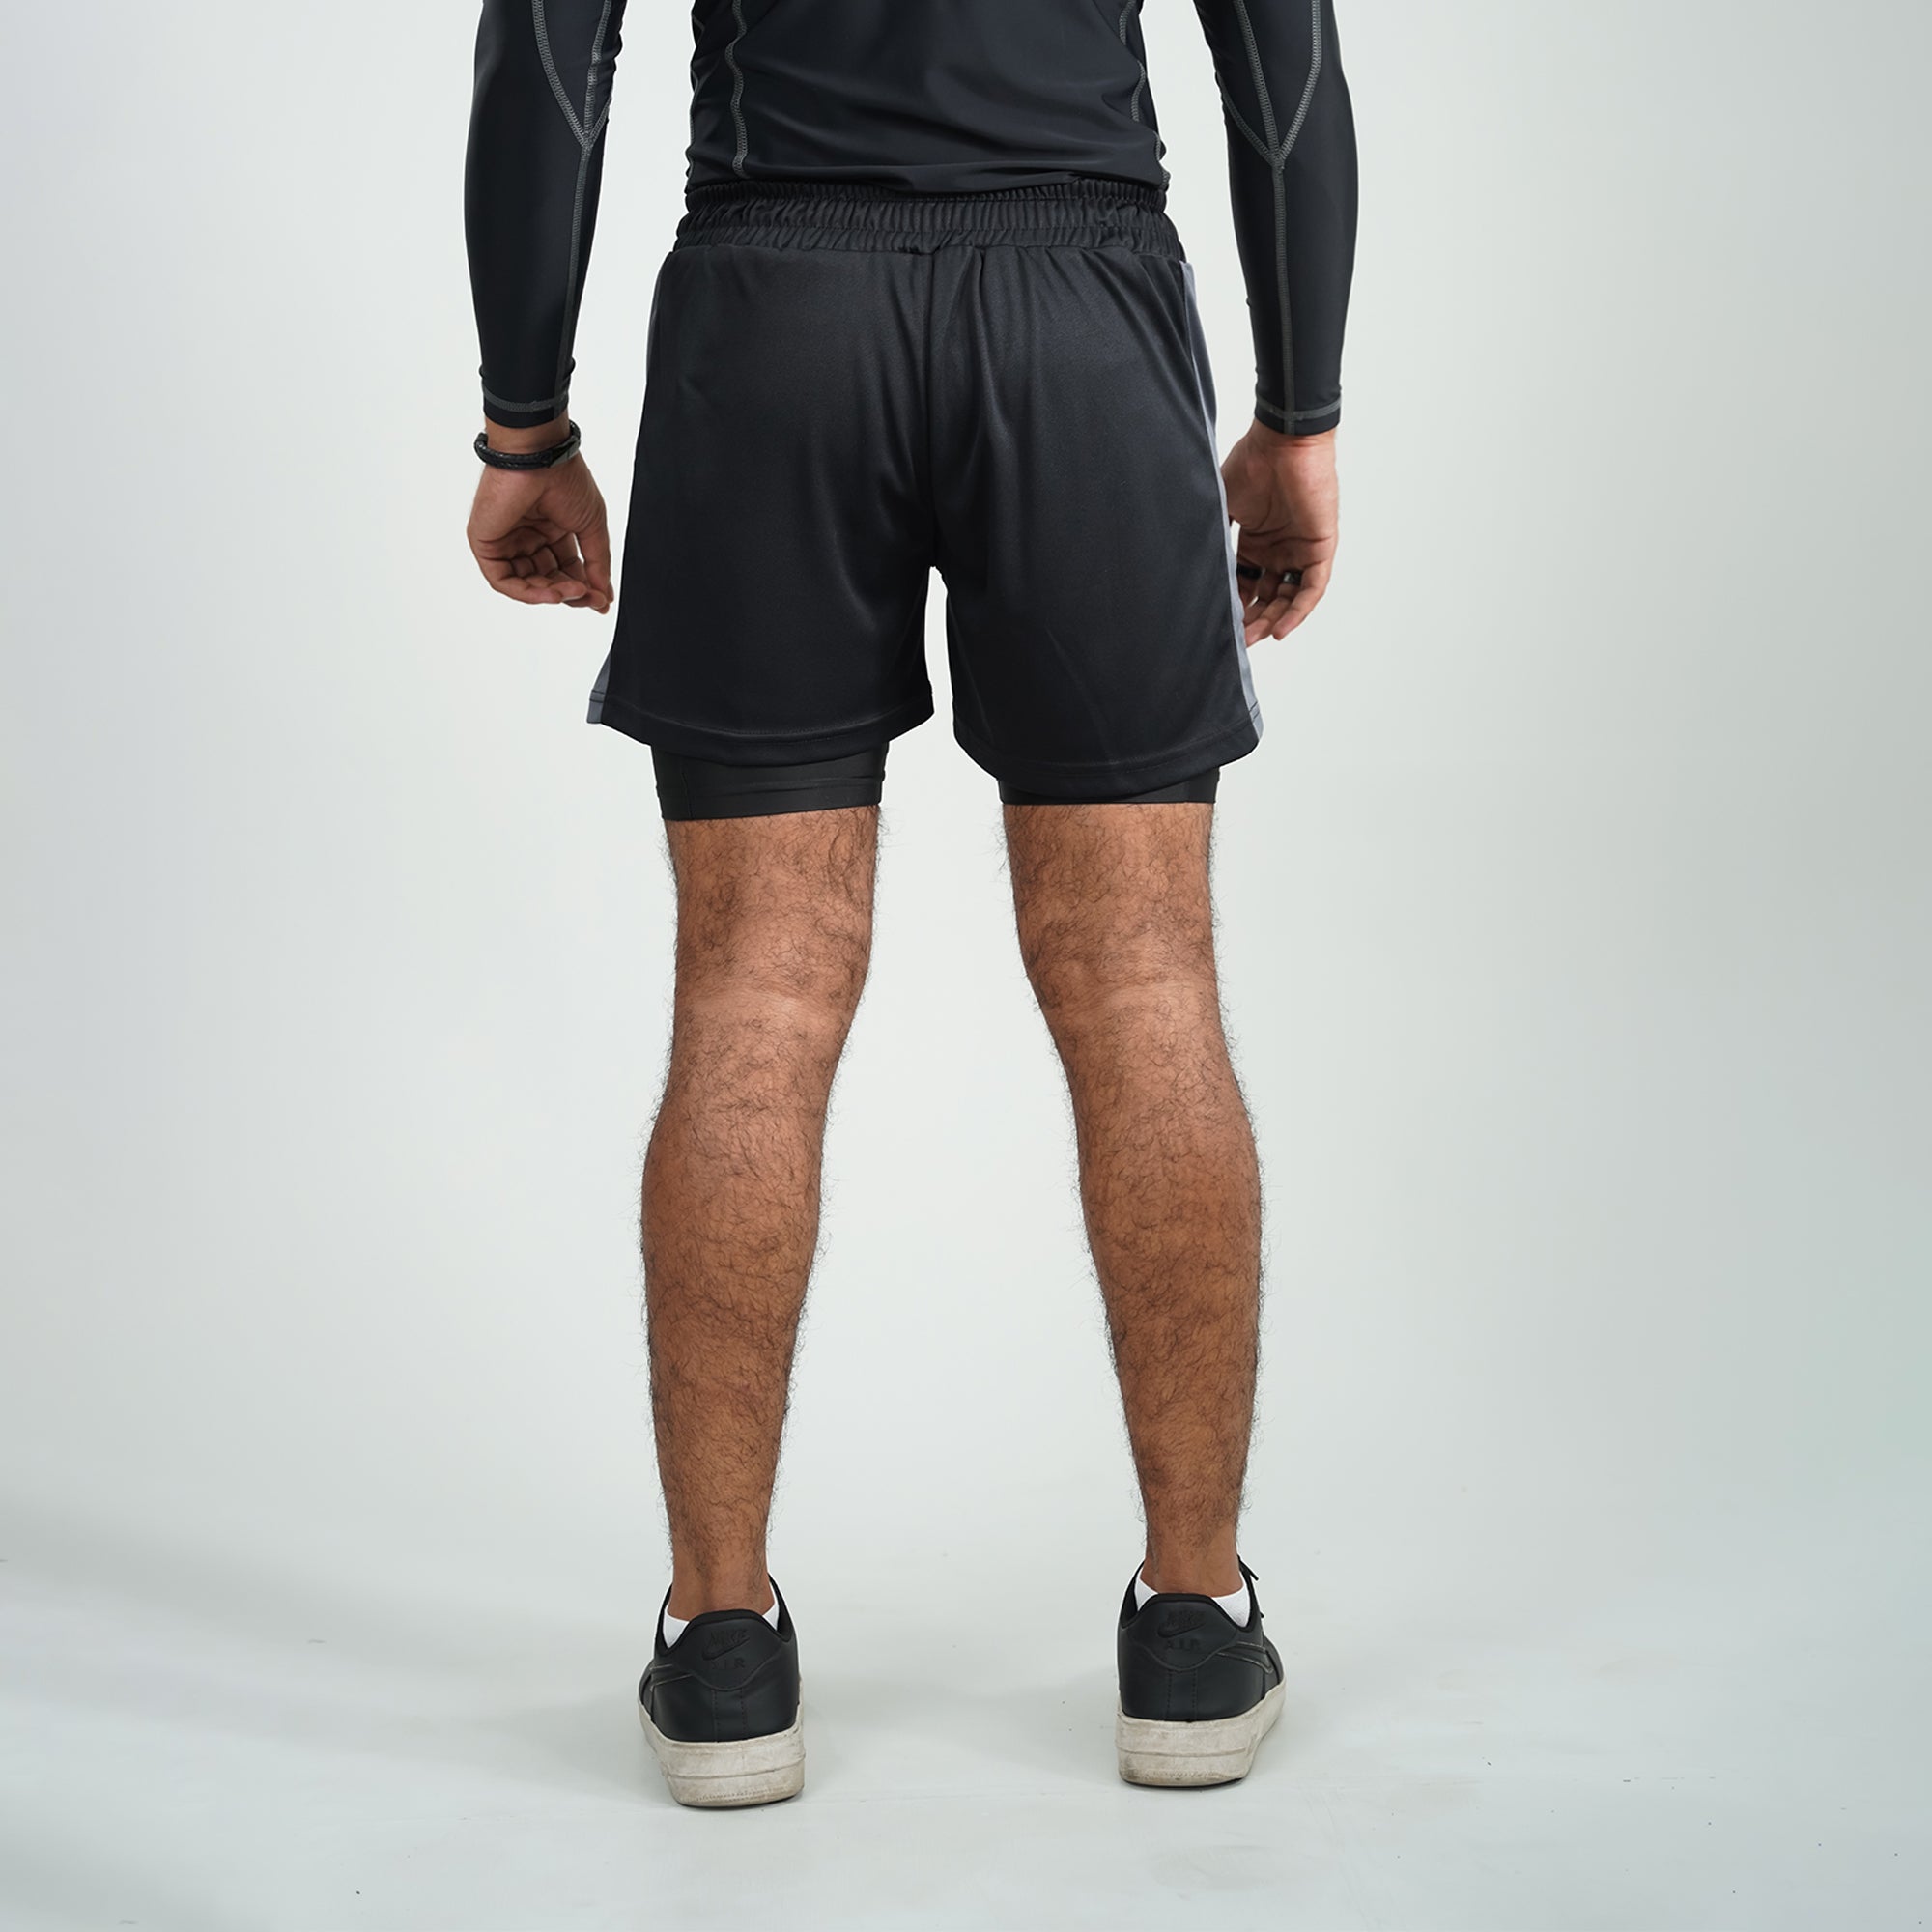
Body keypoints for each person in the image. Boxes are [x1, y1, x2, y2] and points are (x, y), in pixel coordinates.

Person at [463, 0, 1356, 1808]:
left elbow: (547, 57)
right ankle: (1194, 1624)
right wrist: (1299, 412)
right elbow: (1288, 70)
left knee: (755, 992)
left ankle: (722, 1648)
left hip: (774, 313)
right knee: (1142, 982)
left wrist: (522, 420)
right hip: (1084, 316)